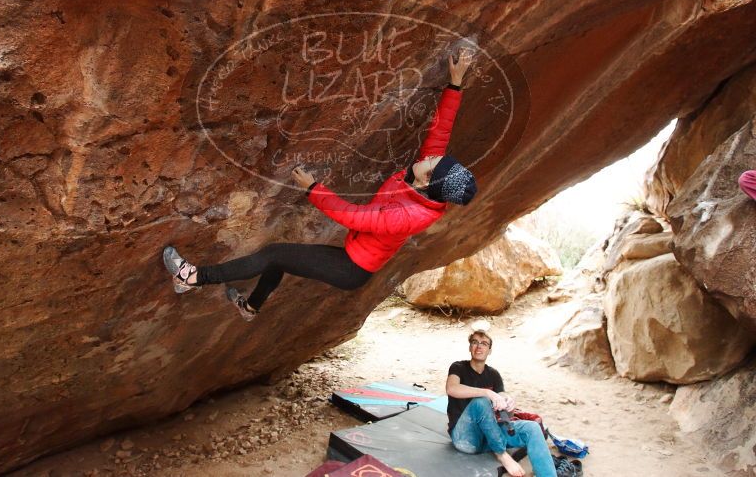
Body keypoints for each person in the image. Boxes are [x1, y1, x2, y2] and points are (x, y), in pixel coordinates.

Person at [162, 49, 478, 321]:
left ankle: (191, 278)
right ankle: (251, 307)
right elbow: (440, 134)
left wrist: (315, 189)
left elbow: (356, 218)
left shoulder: (410, 216)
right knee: (282, 257)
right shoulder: (430, 184)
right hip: (355, 252)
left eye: (431, 164)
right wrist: (455, 84)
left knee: (275, 253)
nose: (429, 158)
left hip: (350, 268)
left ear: (426, 182)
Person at [446, 323, 557, 477]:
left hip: (489, 436)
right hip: (465, 438)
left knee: (532, 428)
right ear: (469, 347)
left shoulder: (494, 374)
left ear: (489, 350)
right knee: (481, 402)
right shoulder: (458, 367)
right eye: (475, 342)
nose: (479, 346)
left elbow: (507, 412)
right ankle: (502, 454)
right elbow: (452, 389)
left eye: (484, 343)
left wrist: (509, 402)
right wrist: (487, 393)